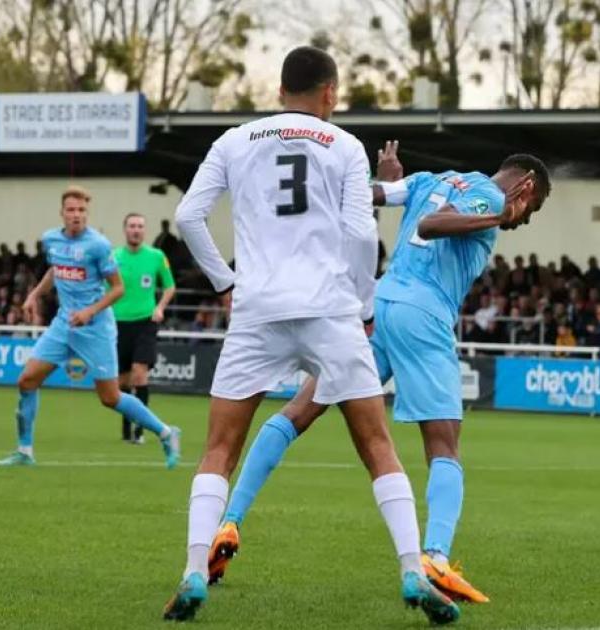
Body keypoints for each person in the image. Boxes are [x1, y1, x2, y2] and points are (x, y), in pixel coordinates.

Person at [163, 47, 462, 624]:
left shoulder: (233, 140)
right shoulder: (345, 146)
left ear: (280, 90)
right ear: (329, 92)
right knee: (378, 447)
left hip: (257, 310)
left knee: (219, 451)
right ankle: (410, 569)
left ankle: (194, 572)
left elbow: (187, 217)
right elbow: (356, 233)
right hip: (329, 310)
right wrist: (364, 302)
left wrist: (226, 282)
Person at [204, 149, 548, 607]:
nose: (523, 219)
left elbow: (368, 196)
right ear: (524, 185)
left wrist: (384, 180)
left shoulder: (433, 177)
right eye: (533, 206)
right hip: (422, 315)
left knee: (301, 409)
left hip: (378, 305)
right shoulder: (488, 195)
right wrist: (497, 214)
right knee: (444, 444)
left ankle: (229, 521)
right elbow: (432, 226)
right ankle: (436, 558)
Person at [0, 187, 182, 468]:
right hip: (63, 324)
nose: (76, 215)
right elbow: (55, 270)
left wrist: (89, 311)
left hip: (95, 327)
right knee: (27, 380)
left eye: (81, 211)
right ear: (62, 213)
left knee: (110, 397)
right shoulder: (51, 240)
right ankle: (25, 451)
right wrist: (34, 295)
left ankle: (166, 432)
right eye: (71, 210)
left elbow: (118, 289)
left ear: (87, 214)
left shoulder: (98, 245)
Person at [112, 213, 177, 444]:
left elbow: (170, 287)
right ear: (125, 229)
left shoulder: (157, 256)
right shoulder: (113, 257)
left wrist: (160, 307)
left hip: (145, 323)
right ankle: (126, 428)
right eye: (132, 226)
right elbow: (103, 288)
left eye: (140, 226)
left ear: (145, 230)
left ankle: (140, 432)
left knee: (140, 373)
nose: (136, 230)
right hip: (118, 323)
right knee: (122, 381)